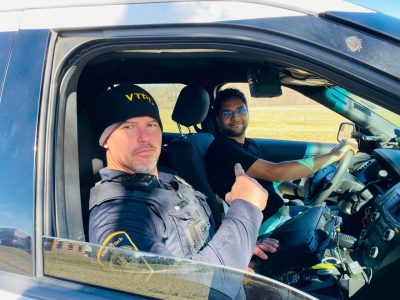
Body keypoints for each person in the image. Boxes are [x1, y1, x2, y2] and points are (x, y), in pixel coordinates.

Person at [88, 83, 278, 272]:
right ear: (105, 139)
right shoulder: (117, 216)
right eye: (128, 127)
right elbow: (185, 289)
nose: (144, 137)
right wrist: (245, 208)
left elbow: (196, 246)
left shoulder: (169, 178)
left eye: (152, 125)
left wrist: (237, 247)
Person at [205, 88, 359, 232]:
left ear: (248, 112)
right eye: (227, 113)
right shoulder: (222, 150)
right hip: (262, 228)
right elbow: (276, 173)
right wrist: (335, 155)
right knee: (342, 223)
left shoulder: (248, 144)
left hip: (277, 215)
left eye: (240, 110)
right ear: (218, 120)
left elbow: (270, 181)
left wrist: (298, 190)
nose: (236, 117)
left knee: (338, 217)